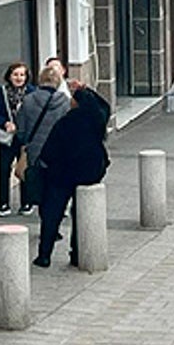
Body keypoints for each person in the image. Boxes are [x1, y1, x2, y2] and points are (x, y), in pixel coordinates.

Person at [32, 87, 111, 268]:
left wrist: (43, 164)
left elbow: (49, 150)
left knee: (53, 213)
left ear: (76, 103)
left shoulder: (65, 123)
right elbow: (105, 105)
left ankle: (44, 254)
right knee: (81, 213)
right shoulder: (97, 121)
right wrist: (88, 90)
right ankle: (77, 252)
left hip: (61, 174)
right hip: (88, 173)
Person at [16, 65, 72, 211]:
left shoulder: (28, 101)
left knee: (40, 186)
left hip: (34, 151)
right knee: (55, 188)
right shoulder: (65, 102)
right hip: (57, 152)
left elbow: (21, 130)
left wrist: (26, 143)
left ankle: (44, 219)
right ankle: (53, 225)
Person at [0, 62, 35, 217]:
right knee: (4, 169)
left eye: (22, 75)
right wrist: (4, 123)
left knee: (24, 169)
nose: (19, 78)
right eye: (15, 74)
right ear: (9, 76)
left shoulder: (32, 92)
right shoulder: (2, 92)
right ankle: (3, 204)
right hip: (7, 138)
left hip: (24, 137)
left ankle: (26, 203)